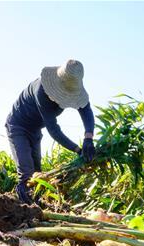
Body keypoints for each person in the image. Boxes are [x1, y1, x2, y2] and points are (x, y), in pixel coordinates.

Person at [6, 60, 96, 203]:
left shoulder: (73, 86)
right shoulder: (41, 90)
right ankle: (22, 213)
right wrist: (78, 150)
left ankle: (35, 207)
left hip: (35, 129)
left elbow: (86, 110)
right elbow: (53, 130)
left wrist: (88, 138)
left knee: (38, 174)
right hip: (18, 127)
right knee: (27, 175)